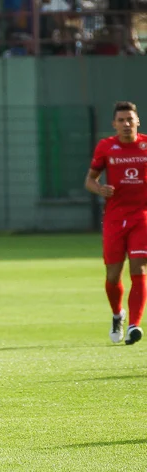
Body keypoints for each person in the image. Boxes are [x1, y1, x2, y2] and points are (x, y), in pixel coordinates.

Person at [85, 101, 147, 345]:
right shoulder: (106, 147)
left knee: (139, 269)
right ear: (114, 124)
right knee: (113, 275)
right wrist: (101, 189)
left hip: (142, 216)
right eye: (121, 120)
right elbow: (90, 181)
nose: (126, 124)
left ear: (138, 121)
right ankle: (117, 314)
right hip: (114, 217)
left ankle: (134, 325)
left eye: (130, 119)